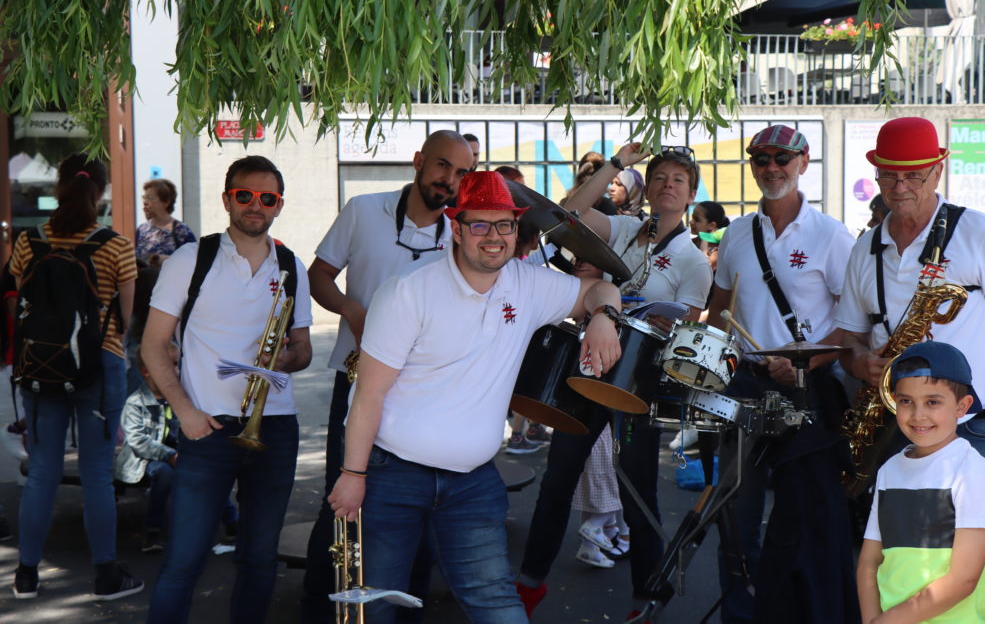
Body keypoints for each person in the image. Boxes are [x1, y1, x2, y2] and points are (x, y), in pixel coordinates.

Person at [328, 171, 624, 623]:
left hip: (472, 482)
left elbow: (601, 289)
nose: (494, 236)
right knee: (378, 604)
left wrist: (604, 316)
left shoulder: (526, 284)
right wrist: (353, 473)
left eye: (504, 224)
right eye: (480, 225)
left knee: (497, 605)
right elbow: (369, 393)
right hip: (393, 476)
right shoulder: (408, 291)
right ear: (457, 227)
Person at [518, 142, 713, 620]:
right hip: (588, 367)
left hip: (635, 383)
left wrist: (631, 311)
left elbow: (683, 329)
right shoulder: (626, 227)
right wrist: (616, 165)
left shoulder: (692, 259)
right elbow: (568, 212)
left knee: (636, 491)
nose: (669, 186)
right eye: (661, 177)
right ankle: (529, 581)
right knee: (556, 480)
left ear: (690, 195)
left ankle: (646, 596)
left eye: (679, 181)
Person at [301, 130, 473, 621]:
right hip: (357, 379)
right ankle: (319, 611)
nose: (451, 181)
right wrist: (353, 313)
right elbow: (318, 276)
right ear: (418, 161)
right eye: (443, 166)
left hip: (423, 393)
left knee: (415, 508)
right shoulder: (362, 209)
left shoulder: (460, 231)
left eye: (462, 173)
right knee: (339, 499)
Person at [142, 155, 313, 624]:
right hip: (206, 428)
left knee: (259, 560)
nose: (255, 205)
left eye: (267, 198)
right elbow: (153, 346)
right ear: (226, 199)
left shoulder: (291, 265)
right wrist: (185, 412)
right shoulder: (191, 259)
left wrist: (285, 357)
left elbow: (302, 351)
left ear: (279, 205)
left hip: (275, 429)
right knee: (183, 561)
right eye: (244, 195)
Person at [705, 125, 856, 623]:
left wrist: (805, 364)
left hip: (808, 393)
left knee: (803, 519)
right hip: (744, 387)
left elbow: (853, 324)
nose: (771, 168)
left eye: (782, 158)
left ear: (803, 162)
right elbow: (720, 308)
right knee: (736, 517)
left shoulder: (831, 235)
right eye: (761, 159)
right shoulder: (735, 233)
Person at [836, 116, 985, 487]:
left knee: (974, 544)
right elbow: (848, 338)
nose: (900, 186)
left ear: (938, 172)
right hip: (897, 426)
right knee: (903, 541)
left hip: (978, 424)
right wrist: (860, 363)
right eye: (889, 175)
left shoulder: (979, 232)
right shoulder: (865, 247)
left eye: (914, 175)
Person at [11, 153, 141, 600]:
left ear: (59, 187)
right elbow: (126, 320)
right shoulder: (117, 245)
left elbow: (21, 300)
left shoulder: (30, 241)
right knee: (97, 476)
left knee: (43, 472)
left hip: (40, 363)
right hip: (99, 367)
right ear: (100, 192)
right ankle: (106, 575)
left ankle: (26, 574)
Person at [856, 341, 985, 623]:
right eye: (906, 401)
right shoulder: (889, 470)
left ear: (963, 406)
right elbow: (868, 563)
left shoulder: (972, 472)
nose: (918, 414)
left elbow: (963, 580)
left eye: (932, 402)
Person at [114, 347, 239, 553]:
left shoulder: (180, 400)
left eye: (177, 365)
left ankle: (233, 524)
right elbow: (138, 441)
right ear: (147, 371)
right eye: (170, 365)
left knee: (205, 470)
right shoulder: (135, 402)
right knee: (164, 474)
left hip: (178, 455)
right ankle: (153, 532)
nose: (177, 371)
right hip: (144, 460)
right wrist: (170, 455)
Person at [135, 179, 197, 266]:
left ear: (166, 202)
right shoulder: (141, 230)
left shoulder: (181, 230)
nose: (145, 202)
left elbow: (194, 261)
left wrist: (166, 260)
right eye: (144, 198)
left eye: (150, 198)